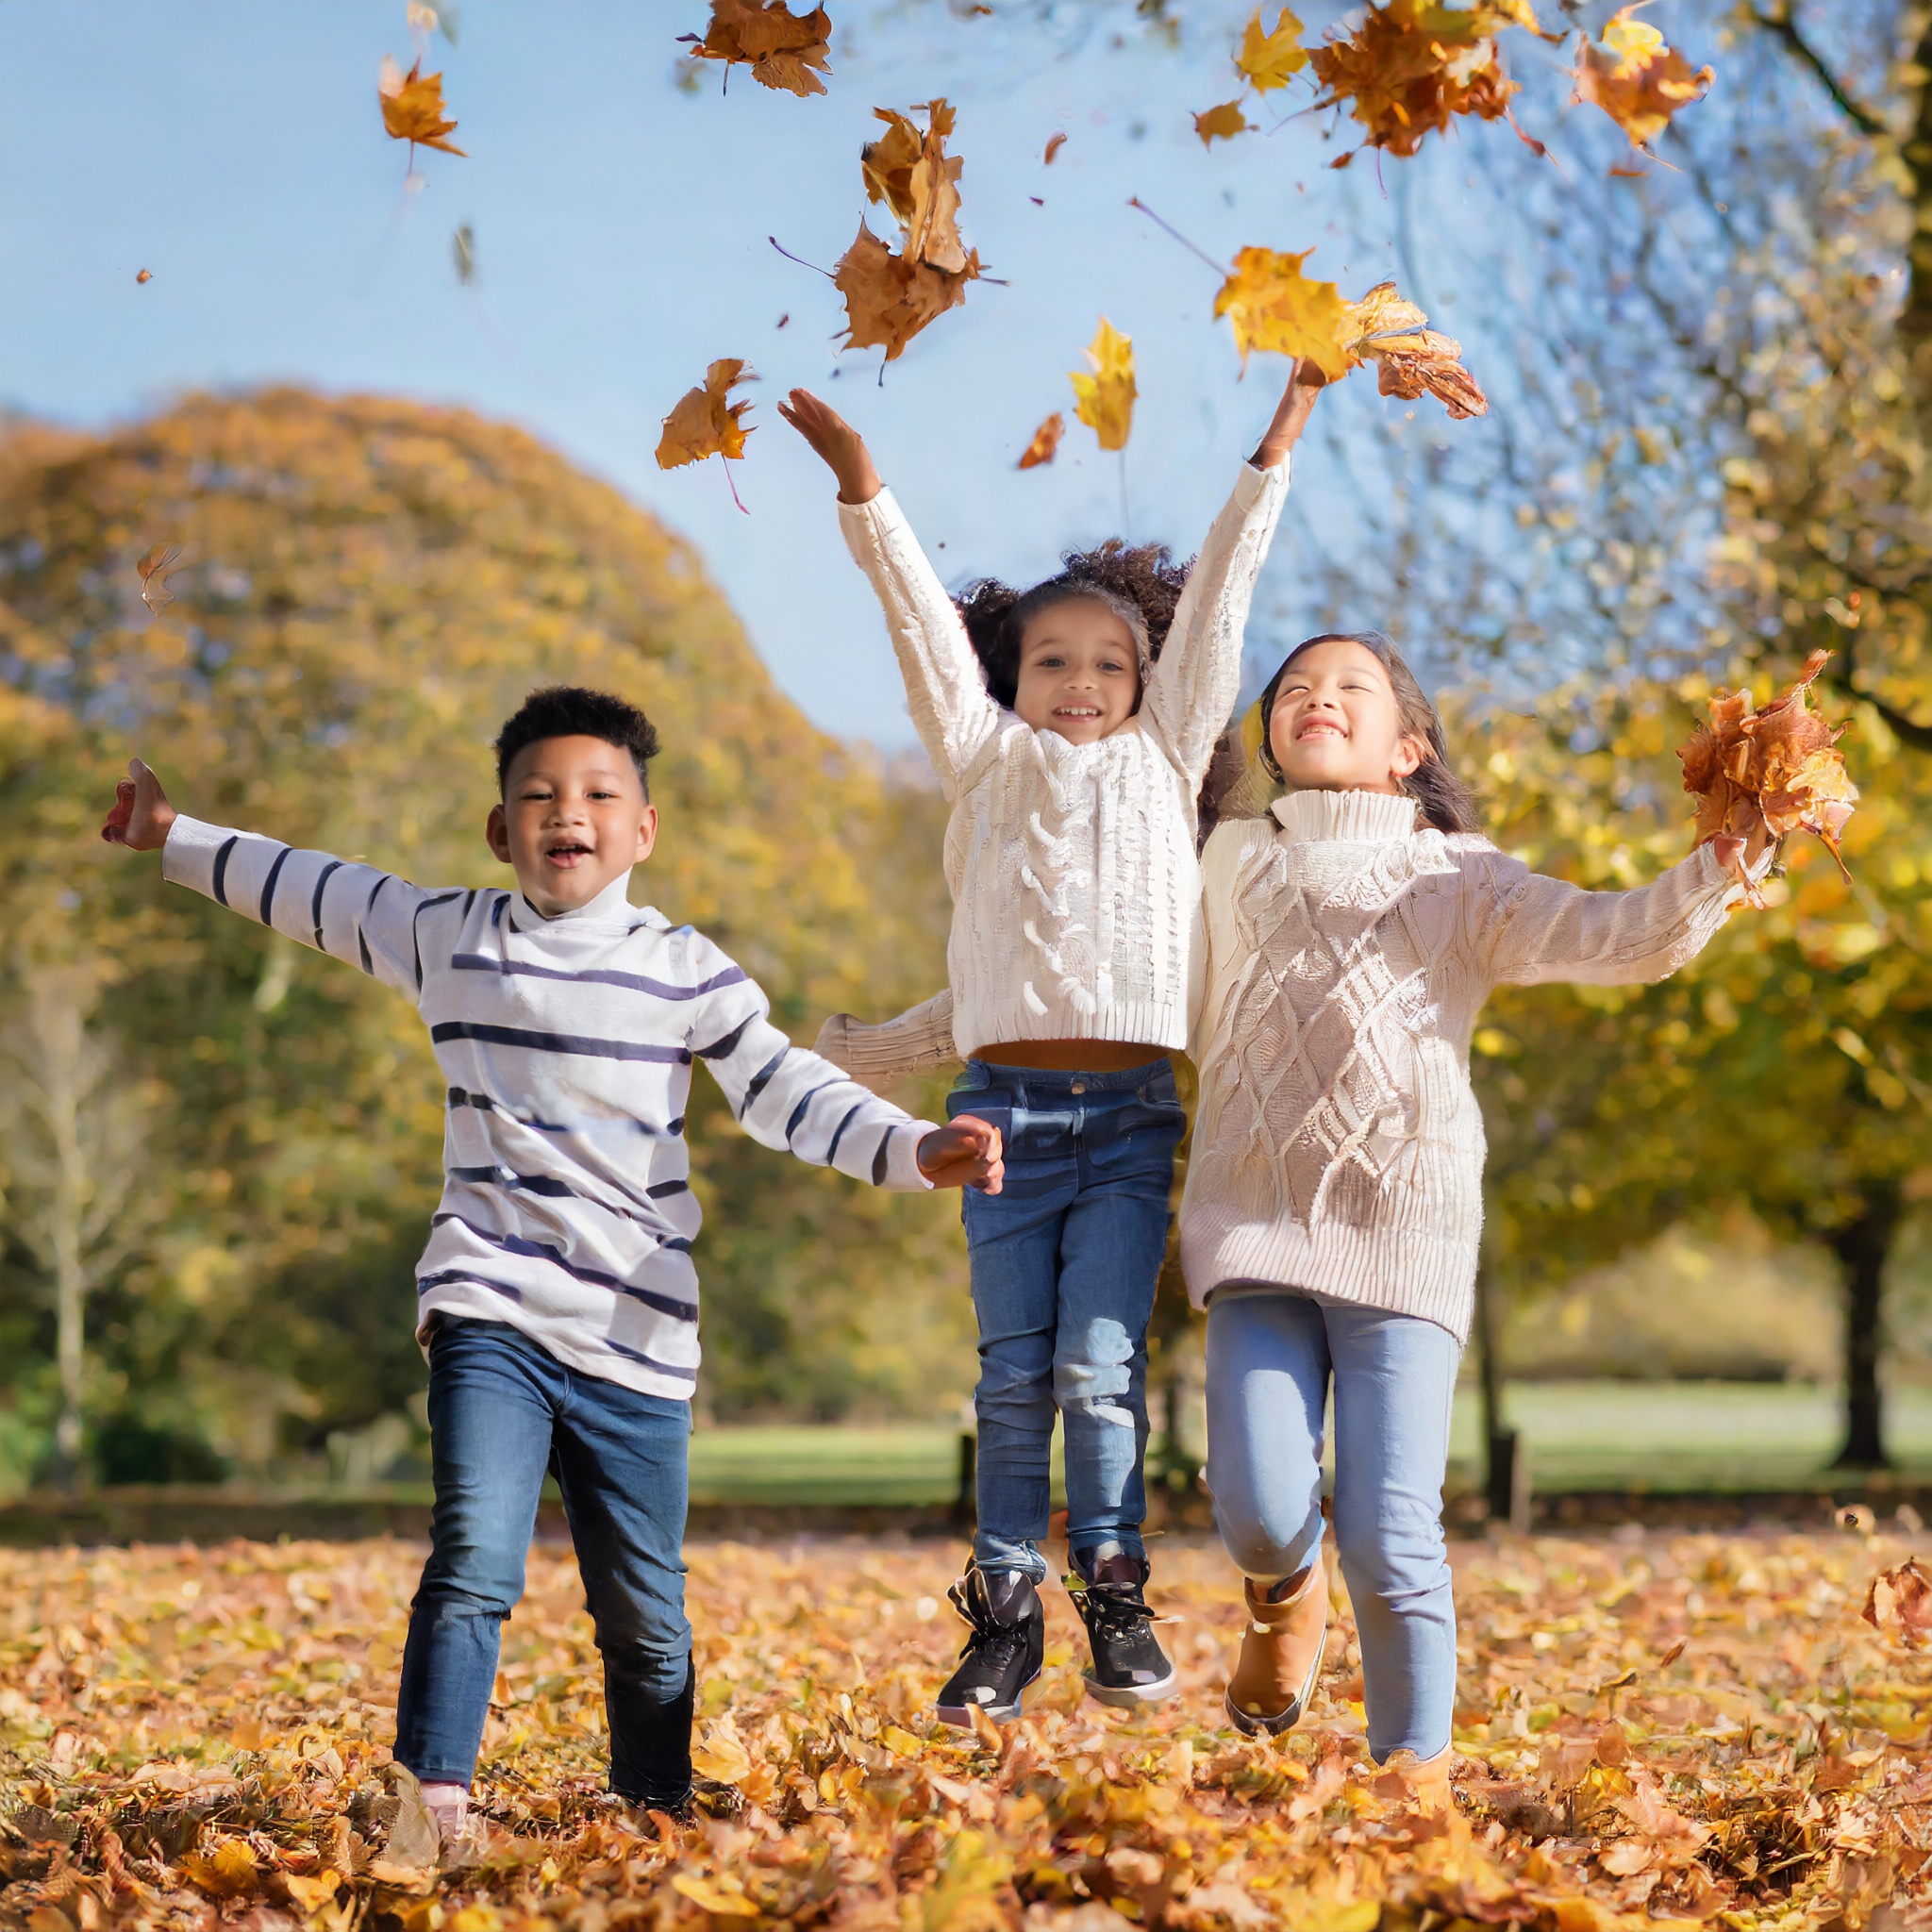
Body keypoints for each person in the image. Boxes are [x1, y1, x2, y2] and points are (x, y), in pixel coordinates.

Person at [100, 684, 1003, 1837]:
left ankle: (652, 1807)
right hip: (490, 1302)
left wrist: (912, 1146)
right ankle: (432, 1800)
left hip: (637, 1329)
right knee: (473, 1550)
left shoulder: (687, 969)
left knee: (643, 1612)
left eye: (594, 794)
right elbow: (314, 890)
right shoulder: (451, 936)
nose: (565, 812)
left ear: (642, 828)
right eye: (536, 796)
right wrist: (176, 834)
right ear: (499, 830)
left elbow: (785, 1090)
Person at [778, 364, 1325, 1724]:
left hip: (1133, 1116)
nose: (1080, 683)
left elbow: (1220, 601)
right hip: (1000, 1121)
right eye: (1050, 662)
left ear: (1147, 682)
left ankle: (1118, 1593)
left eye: (1107, 663)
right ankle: (1006, 1611)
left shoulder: (1162, 760)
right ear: (1010, 680)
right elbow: (918, 630)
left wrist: (1276, 442)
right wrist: (864, 488)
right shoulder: (986, 763)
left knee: (1097, 1366)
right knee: (1013, 1375)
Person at [1182, 630, 1769, 1803]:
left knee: (1390, 1537)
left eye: (1348, 686)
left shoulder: (1462, 877)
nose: (1313, 697)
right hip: (1250, 1224)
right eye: (1293, 688)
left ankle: (1414, 1787)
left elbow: (1626, 936)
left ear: (1408, 748)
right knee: (1253, 1505)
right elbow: (1106, 978)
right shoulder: (1226, 861)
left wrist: (1727, 854)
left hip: (1406, 1231)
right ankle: (1280, 1599)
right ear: (1272, 741)